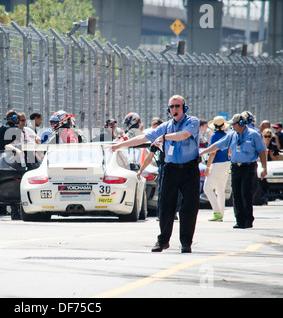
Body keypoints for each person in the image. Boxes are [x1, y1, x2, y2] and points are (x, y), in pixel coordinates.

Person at [112, 95, 200, 253]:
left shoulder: (192, 122)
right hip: (171, 168)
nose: (174, 109)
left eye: (177, 106)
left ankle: (186, 242)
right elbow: (143, 137)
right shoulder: (166, 126)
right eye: (171, 107)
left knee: (189, 208)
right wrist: (120, 145)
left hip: (189, 169)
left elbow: (184, 135)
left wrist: (164, 137)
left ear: (184, 108)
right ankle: (163, 241)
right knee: (165, 205)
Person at [200, 113, 267, 229]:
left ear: (241, 124)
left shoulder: (254, 135)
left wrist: (264, 168)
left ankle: (248, 220)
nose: (232, 126)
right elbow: (217, 145)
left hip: (248, 167)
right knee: (236, 194)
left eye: (234, 124)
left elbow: (262, 151)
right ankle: (239, 220)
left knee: (245, 193)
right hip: (236, 167)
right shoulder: (232, 135)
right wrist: (202, 152)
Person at [0, 110, 23, 220]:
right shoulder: (16, 130)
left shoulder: (0, 129)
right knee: (14, 183)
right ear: (15, 118)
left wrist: (2, 151)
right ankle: (15, 212)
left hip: (1, 159)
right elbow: (16, 145)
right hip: (13, 159)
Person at [203, 116, 231, 222]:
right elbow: (229, 151)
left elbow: (212, 152)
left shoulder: (214, 136)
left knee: (207, 189)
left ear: (214, 126)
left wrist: (208, 167)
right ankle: (220, 214)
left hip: (217, 164)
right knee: (220, 190)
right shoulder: (227, 136)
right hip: (226, 163)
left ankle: (217, 212)